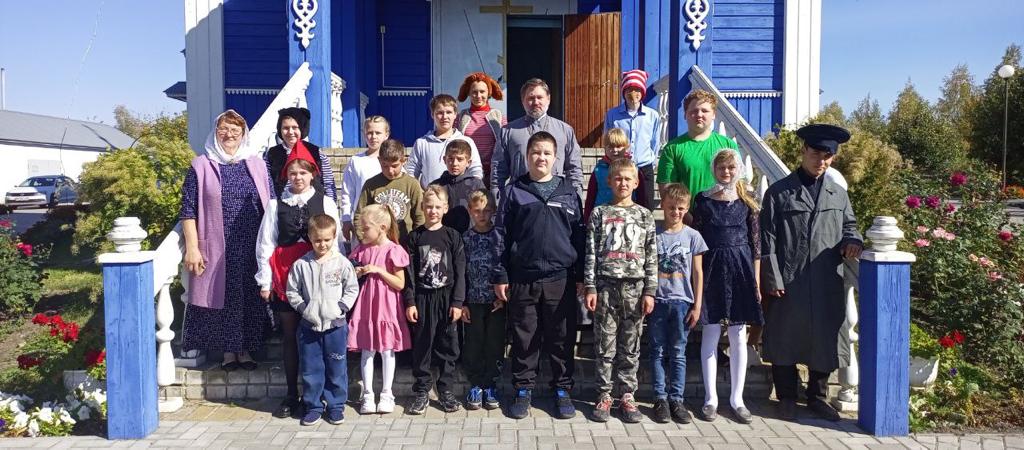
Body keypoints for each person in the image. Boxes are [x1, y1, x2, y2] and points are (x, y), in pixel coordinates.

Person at [760, 123, 863, 422]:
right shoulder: (779, 193)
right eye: (816, 153)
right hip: (789, 279)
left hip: (826, 278)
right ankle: (786, 397)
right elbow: (767, 240)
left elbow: (850, 226)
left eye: (827, 156)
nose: (821, 161)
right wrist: (772, 278)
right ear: (804, 151)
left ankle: (818, 397)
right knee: (785, 337)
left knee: (825, 337)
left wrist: (853, 240)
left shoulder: (838, 194)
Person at [494, 131, 585, 420]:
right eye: (536, 152)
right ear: (526, 156)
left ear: (556, 158)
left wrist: (581, 276)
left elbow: (579, 236)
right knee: (524, 337)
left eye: (546, 153)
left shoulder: (568, 192)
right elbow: (501, 235)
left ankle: (562, 390)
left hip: (561, 278)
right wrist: (501, 274)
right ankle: (523, 390)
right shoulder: (513, 191)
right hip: (523, 277)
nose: (541, 158)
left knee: (561, 337)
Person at [254, 141, 342, 419]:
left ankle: (322, 396)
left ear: (312, 173)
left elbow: (337, 242)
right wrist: (265, 281)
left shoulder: (325, 202)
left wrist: (337, 278)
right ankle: (293, 394)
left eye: (303, 172)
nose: (298, 177)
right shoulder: (276, 205)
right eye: (292, 173)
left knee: (319, 337)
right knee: (291, 336)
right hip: (286, 275)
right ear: (286, 176)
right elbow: (265, 244)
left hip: (319, 275)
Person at [181, 110, 272, 373]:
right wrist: (192, 247)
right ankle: (228, 352)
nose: (229, 134)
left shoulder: (257, 164)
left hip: (252, 242)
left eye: (235, 130)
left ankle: (245, 349)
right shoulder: (201, 165)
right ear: (215, 132)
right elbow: (188, 210)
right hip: (217, 245)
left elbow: (272, 203)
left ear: (243, 134)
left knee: (249, 296)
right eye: (224, 129)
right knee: (224, 297)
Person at [691, 149, 764, 424]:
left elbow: (756, 245)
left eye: (731, 167)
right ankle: (710, 399)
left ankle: (737, 399)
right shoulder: (703, 200)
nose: (726, 172)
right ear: (714, 169)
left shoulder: (748, 200)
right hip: (711, 269)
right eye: (722, 167)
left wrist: (756, 281)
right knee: (710, 331)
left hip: (741, 270)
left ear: (738, 169)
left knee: (738, 334)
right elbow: (697, 241)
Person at [583, 158, 657, 424]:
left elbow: (652, 255)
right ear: (609, 182)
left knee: (631, 345)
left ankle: (627, 395)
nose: (623, 183)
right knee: (605, 344)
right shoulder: (600, 213)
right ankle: (604, 395)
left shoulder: (645, 215)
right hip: (605, 287)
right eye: (618, 179)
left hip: (635, 288)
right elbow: (591, 252)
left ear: (636, 182)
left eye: (628, 179)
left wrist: (650, 290)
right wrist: (590, 286)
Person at [285, 214, 358, 426]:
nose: (322, 244)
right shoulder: (301, 265)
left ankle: (335, 406)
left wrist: (341, 308)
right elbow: (292, 291)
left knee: (337, 367)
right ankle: (314, 406)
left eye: (327, 240)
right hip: (310, 327)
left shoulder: (342, 263)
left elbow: (352, 288)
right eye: (317, 240)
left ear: (334, 237)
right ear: (310, 237)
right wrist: (304, 309)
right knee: (311, 369)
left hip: (336, 327)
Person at [404, 186, 466, 415]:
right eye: (429, 206)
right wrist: (410, 301)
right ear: (422, 207)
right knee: (423, 345)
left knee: (448, 345)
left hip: (446, 298)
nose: (433, 211)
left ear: (446, 208)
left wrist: (457, 302)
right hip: (423, 298)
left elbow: (460, 271)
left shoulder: (452, 236)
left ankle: (445, 389)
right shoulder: (415, 237)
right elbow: (409, 274)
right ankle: (422, 390)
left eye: (438, 207)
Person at [648, 183, 707, 424]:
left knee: (678, 352)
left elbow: (698, 272)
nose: (676, 212)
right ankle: (660, 398)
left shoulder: (693, 236)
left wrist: (697, 305)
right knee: (657, 351)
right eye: (671, 207)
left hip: (682, 301)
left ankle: (676, 399)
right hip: (658, 300)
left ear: (687, 208)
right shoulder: (653, 234)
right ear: (663, 205)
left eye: (681, 208)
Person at [348, 204, 412, 415]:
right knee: (367, 350)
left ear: (382, 228)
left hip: (387, 306)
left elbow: (400, 284)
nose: (362, 233)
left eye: (366, 228)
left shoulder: (394, 250)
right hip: (367, 305)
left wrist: (378, 270)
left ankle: (386, 393)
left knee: (386, 350)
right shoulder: (362, 249)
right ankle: (367, 394)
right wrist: (358, 271)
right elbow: (350, 271)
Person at [491, 78, 583, 198]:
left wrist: (576, 198)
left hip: (556, 197)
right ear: (523, 101)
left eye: (540, 97)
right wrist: (498, 199)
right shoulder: (508, 131)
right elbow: (498, 169)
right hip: (519, 198)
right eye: (531, 98)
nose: (536, 102)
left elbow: (574, 169)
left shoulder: (565, 131)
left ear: (548, 99)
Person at [459, 189, 505, 411]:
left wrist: (503, 297)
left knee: (494, 343)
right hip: (472, 302)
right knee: (474, 344)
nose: (482, 215)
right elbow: (460, 272)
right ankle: (476, 384)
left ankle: (491, 384)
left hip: (496, 302)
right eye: (477, 211)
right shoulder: (465, 238)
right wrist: (462, 302)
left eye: (486, 211)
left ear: (493, 211)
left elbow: (505, 267)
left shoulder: (500, 236)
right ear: (470, 211)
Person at [656, 90, 738, 201]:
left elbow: (738, 182)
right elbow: (667, 190)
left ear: (714, 114)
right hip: (687, 211)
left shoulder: (727, 145)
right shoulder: (672, 148)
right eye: (694, 111)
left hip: (722, 210)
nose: (699, 115)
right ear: (685, 115)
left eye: (705, 111)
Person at [604, 69, 662, 208]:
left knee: (646, 205)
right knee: (621, 203)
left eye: (637, 90)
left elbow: (655, 142)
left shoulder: (652, 116)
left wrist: (651, 161)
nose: (633, 94)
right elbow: (608, 139)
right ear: (624, 92)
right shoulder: (613, 115)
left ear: (642, 92)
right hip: (621, 168)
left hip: (644, 167)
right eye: (629, 90)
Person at [354, 139, 425, 242]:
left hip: (405, 243)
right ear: (379, 160)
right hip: (376, 244)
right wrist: (363, 240)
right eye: (385, 166)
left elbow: (420, 217)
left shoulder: (412, 184)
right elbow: (360, 215)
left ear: (403, 161)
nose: (390, 171)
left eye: (395, 166)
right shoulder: (371, 184)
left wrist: (416, 242)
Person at [406, 94, 483, 189]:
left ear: (455, 114)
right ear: (432, 114)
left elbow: (475, 170)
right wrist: (419, 193)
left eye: (449, 112)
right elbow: (411, 172)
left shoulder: (467, 141)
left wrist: (472, 191)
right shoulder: (422, 143)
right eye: (440, 113)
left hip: (460, 196)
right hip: (431, 196)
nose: (444, 117)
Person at [264, 107, 337, 200]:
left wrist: (330, 204)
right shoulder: (272, 154)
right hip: (283, 204)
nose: (290, 132)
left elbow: (328, 184)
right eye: (286, 128)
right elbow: (267, 183)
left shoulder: (315, 152)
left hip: (314, 204)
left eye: (295, 127)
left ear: (302, 128)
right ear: (280, 130)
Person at [340, 116, 389, 244]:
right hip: (362, 222)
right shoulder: (356, 161)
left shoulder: (391, 163)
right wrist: (346, 219)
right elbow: (347, 193)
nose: (373, 137)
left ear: (386, 135)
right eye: (370, 133)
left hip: (385, 222)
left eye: (378, 133)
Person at [583, 128, 650, 221]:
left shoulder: (633, 169)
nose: (614, 150)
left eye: (618, 146)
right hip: (603, 217)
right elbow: (591, 197)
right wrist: (586, 219)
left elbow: (641, 196)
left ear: (626, 147)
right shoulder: (598, 170)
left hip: (629, 217)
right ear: (605, 148)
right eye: (610, 146)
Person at [456, 72, 507, 185]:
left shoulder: (498, 116)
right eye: (474, 92)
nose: (478, 96)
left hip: (493, 173)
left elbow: (506, 142)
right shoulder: (461, 117)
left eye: (482, 91)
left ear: (489, 92)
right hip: (468, 172)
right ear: (469, 93)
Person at [430, 140, 486, 234]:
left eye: (460, 159)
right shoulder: (436, 186)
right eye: (450, 158)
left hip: (470, 236)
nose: (455, 163)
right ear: (444, 159)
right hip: (444, 236)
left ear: (468, 162)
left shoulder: (476, 185)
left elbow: (486, 210)